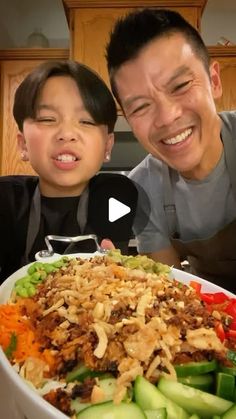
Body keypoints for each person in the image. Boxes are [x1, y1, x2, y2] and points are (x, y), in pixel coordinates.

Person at [106, 8, 236, 292]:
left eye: (180, 85)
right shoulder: (142, 189)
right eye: (140, 107)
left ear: (214, 81)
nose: (167, 117)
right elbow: (171, 293)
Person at [0, 60, 119, 283]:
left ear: (107, 146)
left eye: (86, 121)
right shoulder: (6, 201)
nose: (67, 133)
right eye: (47, 119)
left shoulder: (117, 196)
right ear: (23, 144)